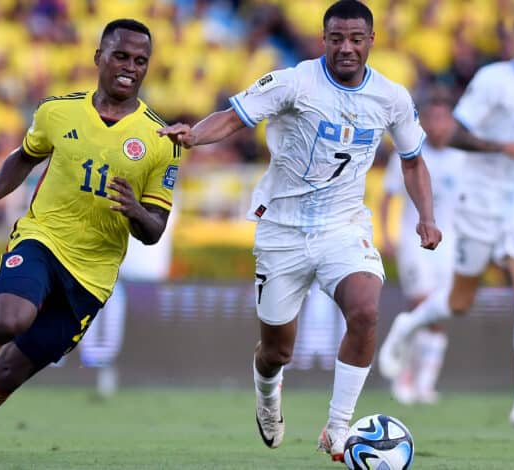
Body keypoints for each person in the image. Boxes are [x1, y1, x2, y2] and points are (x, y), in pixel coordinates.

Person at [160, 0, 441, 462]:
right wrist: (195, 136)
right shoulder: (293, 82)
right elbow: (234, 116)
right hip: (282, 232)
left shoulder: (392, 97)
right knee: (277, 351)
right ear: (323, 39)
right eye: (336, 39)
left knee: (366, 311)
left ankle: (337, 428)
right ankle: (268, 395)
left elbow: (413, 162)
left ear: (371, 40)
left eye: (355, 39)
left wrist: (426, 217)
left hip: (343, 227)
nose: (346, 47)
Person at [0, 19, 182, 463]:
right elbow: (25, 155)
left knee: (9, 372)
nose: (131, 67)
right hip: (42, 238)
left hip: (91, 276)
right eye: (121, 56)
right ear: (98, 58)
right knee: (11, 318)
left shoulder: (161, 141)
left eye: (141, 60)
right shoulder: (58, 111)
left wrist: (136, 211)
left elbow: (155, 230)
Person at [378, 12, 514, 428]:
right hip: (480, 200)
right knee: (459, 302)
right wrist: (503, 147)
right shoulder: (493, 80)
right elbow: (455, 134)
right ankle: (409, 324)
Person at [378, 98, 465, 405]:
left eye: (445, 119)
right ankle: (404, 377)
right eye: (435, 119)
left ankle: (425, 384)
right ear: (425, 122)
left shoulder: (462, 157)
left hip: (451, 244)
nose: (440, 126)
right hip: (413, 240)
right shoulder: (409, 152)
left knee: (440, 311)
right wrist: (386, 234)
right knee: (420, 304)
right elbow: (387, 196)